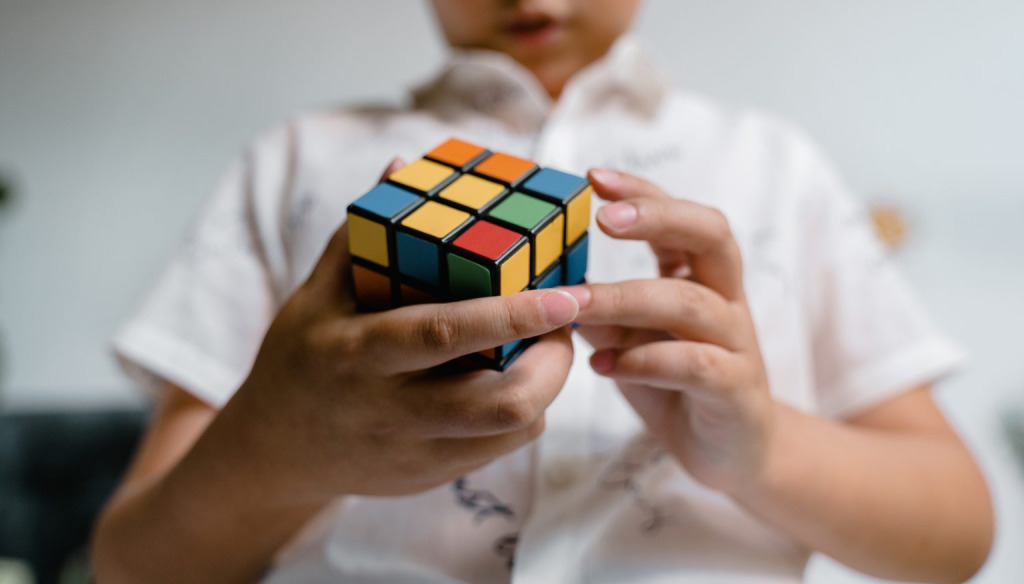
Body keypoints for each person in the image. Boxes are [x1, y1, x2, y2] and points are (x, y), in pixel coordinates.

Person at [91, 1, 994, 582]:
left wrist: (757, 453)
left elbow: (957, 532)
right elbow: (132, 565)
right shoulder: (293, 159)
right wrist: (278, 452)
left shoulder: (776, 165)